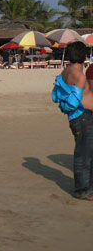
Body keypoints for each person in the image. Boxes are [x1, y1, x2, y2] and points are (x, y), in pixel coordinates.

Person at [53, 41, 93, 199]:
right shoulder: (79, 76)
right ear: (84, 56)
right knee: (84, 154)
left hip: (79, 118)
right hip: (83, 117)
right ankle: (83, 189)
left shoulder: (65, 71)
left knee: (86, 152)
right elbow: (76, 101)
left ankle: (87, 187)